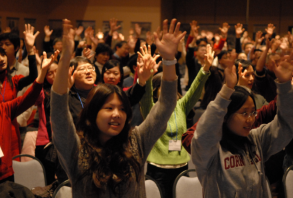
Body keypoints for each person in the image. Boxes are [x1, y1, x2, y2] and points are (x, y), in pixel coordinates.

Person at [51, 18, 184, 197]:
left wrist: (169, 59)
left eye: (122, 109)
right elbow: (59, 113)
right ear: (93, 112)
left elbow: (166, 105)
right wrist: (66, 58)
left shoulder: (137, 141)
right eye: (109, 108)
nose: (117, 114)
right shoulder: (77, 150)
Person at [191, 54, 293, 197]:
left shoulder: (256, 139)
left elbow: (285, 127)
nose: (250, 119)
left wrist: (285, 88)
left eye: (253, 112)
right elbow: (203, 134)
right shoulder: (211, 150)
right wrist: (225, 92)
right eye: (244, 113)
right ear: (226, 116)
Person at [139, 43, 212, 198]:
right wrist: (148, 75)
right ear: (156, 90)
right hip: (158, 169)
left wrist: (204, 69)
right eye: (165, 87)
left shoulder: (181, 106)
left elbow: (194, 90)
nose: (170, 90)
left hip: (182, 166)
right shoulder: (150, 109)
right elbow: (144, 96)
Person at [0, 48, 57, 183]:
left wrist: (42, 71)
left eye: (2, 55)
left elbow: (28, 98)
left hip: (3, 171)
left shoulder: (4, 108)